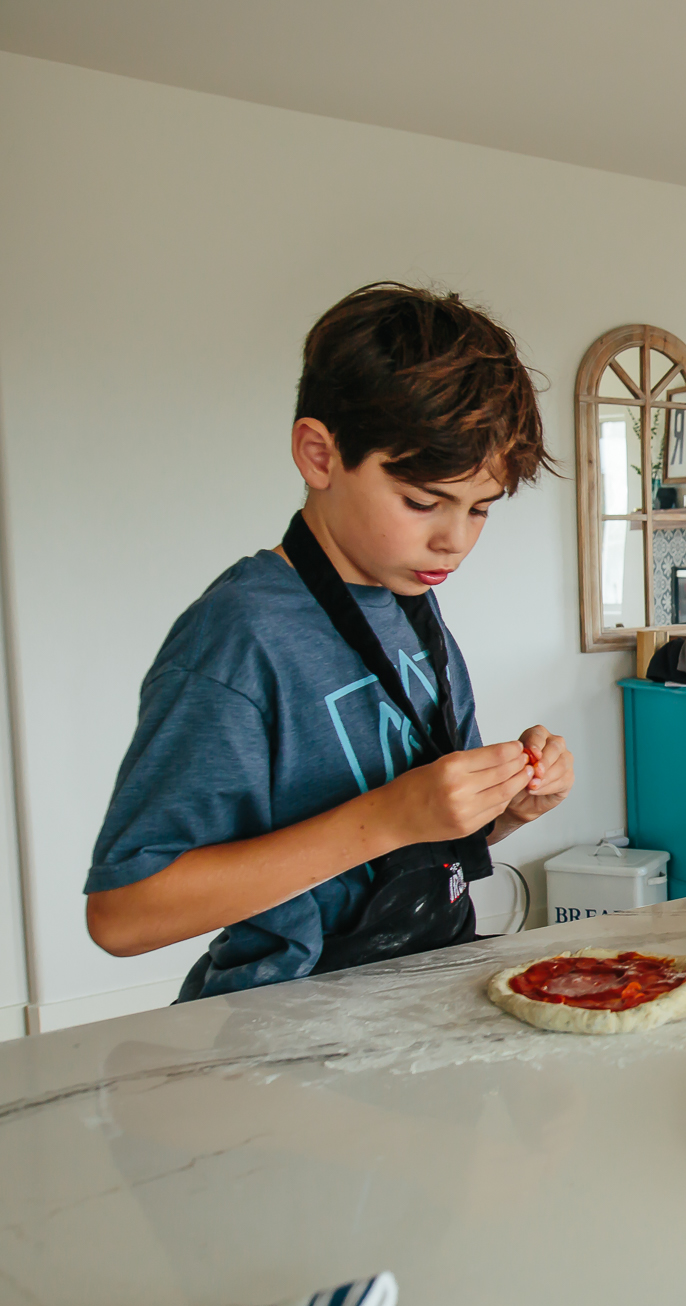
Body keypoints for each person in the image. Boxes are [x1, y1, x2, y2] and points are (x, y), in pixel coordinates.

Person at [85, 283, 577, 998]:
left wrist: (502, 807)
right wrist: (388, 816)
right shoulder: (238, 634)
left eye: (480, 510)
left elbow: (415, 848)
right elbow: (123, 914)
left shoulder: (413, 603)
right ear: (319, 455)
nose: (455, 540)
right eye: (421, 501)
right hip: (281, 1035)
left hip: (417, 1004)